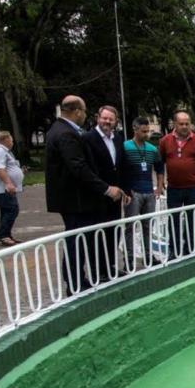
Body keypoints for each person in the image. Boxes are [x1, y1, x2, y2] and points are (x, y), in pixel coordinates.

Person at [45, 95, 125, 294]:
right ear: (77, 111)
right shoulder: (66, 134)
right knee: (76, 242)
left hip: (75, 200)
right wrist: (106, 189)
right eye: (85, 111)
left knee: (79, 240)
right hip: (75, 201)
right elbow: (79, 168)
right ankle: (75, 283)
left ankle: (79, 280)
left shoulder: (61, 130)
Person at [158, 111, 195, 257]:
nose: (184, 126)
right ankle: (174, 251)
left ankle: (189, 249)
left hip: (193, 188)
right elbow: (159, 163)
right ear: (174, 124)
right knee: (173, 220)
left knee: (191, 219)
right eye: (181, 124)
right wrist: (160, 180)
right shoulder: (165, 141)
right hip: (174, 189)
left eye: (187, 123)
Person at [83, 105, 125, 277]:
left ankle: (110, 267)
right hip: (97, 196)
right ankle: (97, 272)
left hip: (115, 197)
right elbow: (88, 169)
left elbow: (120, 167)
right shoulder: (88, 138)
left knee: (113, 232)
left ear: (116, 122)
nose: (107, 121)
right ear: (97, 118)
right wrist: (104, 189)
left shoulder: (118, 139)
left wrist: (124, 190)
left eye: (111, 119)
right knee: (97, 235)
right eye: (104, 118)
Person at [121, 116, 165, 266]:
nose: (146, 134)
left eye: (148, 131)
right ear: (135, 129)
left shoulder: (152, 149)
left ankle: (148, 255)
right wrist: (125, 190)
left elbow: (159, 168)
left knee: (148, 225)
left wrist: (159, 186)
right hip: (133, 192)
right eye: (143, 131)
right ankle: (129, 258)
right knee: (130, 226)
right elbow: (120, 169)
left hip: (149, 191)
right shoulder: (125, 147)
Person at [0, 131, 26, 246]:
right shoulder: (0, 151)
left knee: (6, 211)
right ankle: (4, 235)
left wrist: (20, 171)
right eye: (11, 139)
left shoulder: (5, 152)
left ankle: (6, 235)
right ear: (5, 139)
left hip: (5, 188)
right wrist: (8, 183)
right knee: (12, 209)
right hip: (3, 188)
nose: (12, 142)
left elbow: (8, 167)